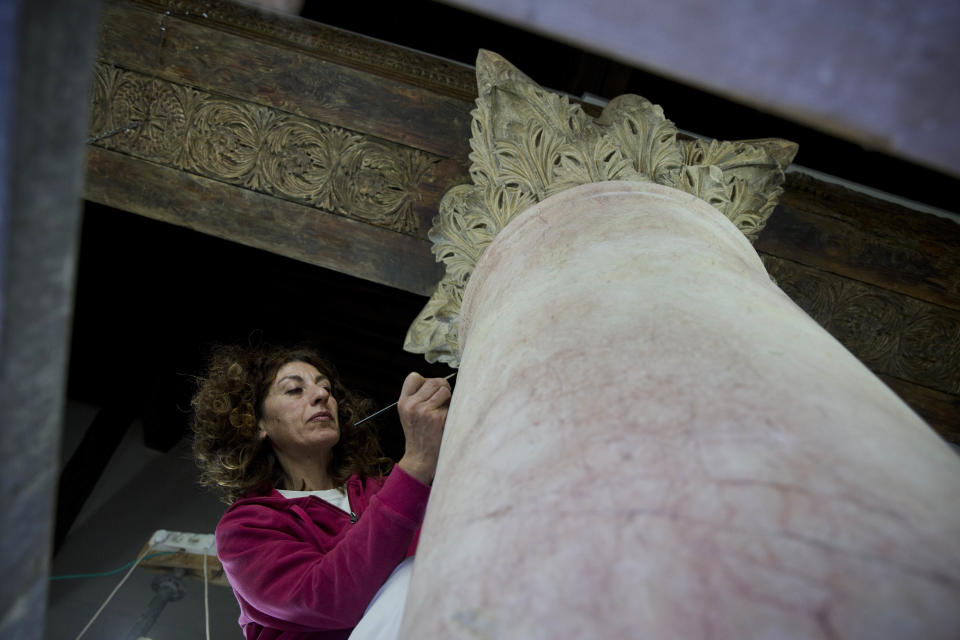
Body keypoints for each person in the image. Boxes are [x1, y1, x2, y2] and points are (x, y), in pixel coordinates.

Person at [190, 344, 450, 640]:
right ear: (256, 424)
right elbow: (327, 599)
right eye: (294, 390)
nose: (322, 395)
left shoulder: (386, 488)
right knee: (411, 578)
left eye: (325, 387)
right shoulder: (245, 527)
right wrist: (417, 462)